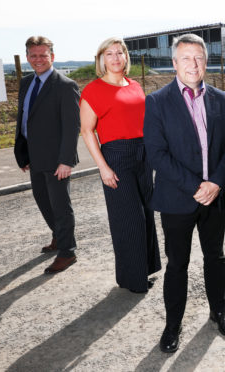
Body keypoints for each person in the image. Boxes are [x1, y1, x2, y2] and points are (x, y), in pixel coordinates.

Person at [143, 33, 225, 353]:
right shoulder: (157, 102)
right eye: (186, 58)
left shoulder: (221, 100)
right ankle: (173, 325)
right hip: (177, 200)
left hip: (215, 197)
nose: (193, 64)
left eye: (198, 57)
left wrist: (216, 183)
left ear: (206, 61)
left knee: (215, 257)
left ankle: (219, 311)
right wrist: (195, 187)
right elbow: (157, 153)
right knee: (178, 264)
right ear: (174, 63)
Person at [79, 37, 161, 293]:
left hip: (143, 154)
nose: (115, 58)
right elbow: (86, 131)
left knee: (147, 213)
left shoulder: (135, 86)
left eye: (119, 53)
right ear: (101, 59)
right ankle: (131, 279)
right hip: (116, 155)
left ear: (126, 57)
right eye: (109, 54)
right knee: (128, 219)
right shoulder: (92, 90)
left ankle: (144, 269)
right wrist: (103, 167)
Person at [14, 36, 80, 274]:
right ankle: (59, 237)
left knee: (61, 206)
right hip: (34, 155)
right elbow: (24, 119)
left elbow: (72, 126)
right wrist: (23, 153)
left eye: (43, 55)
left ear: (52, 56)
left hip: (56, 159)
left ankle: (67, 252)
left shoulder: (65, 85)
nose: (38, 59)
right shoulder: (26, 82)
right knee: (43, 201)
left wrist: (66, 160)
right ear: (27, 57)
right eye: (33, 55)